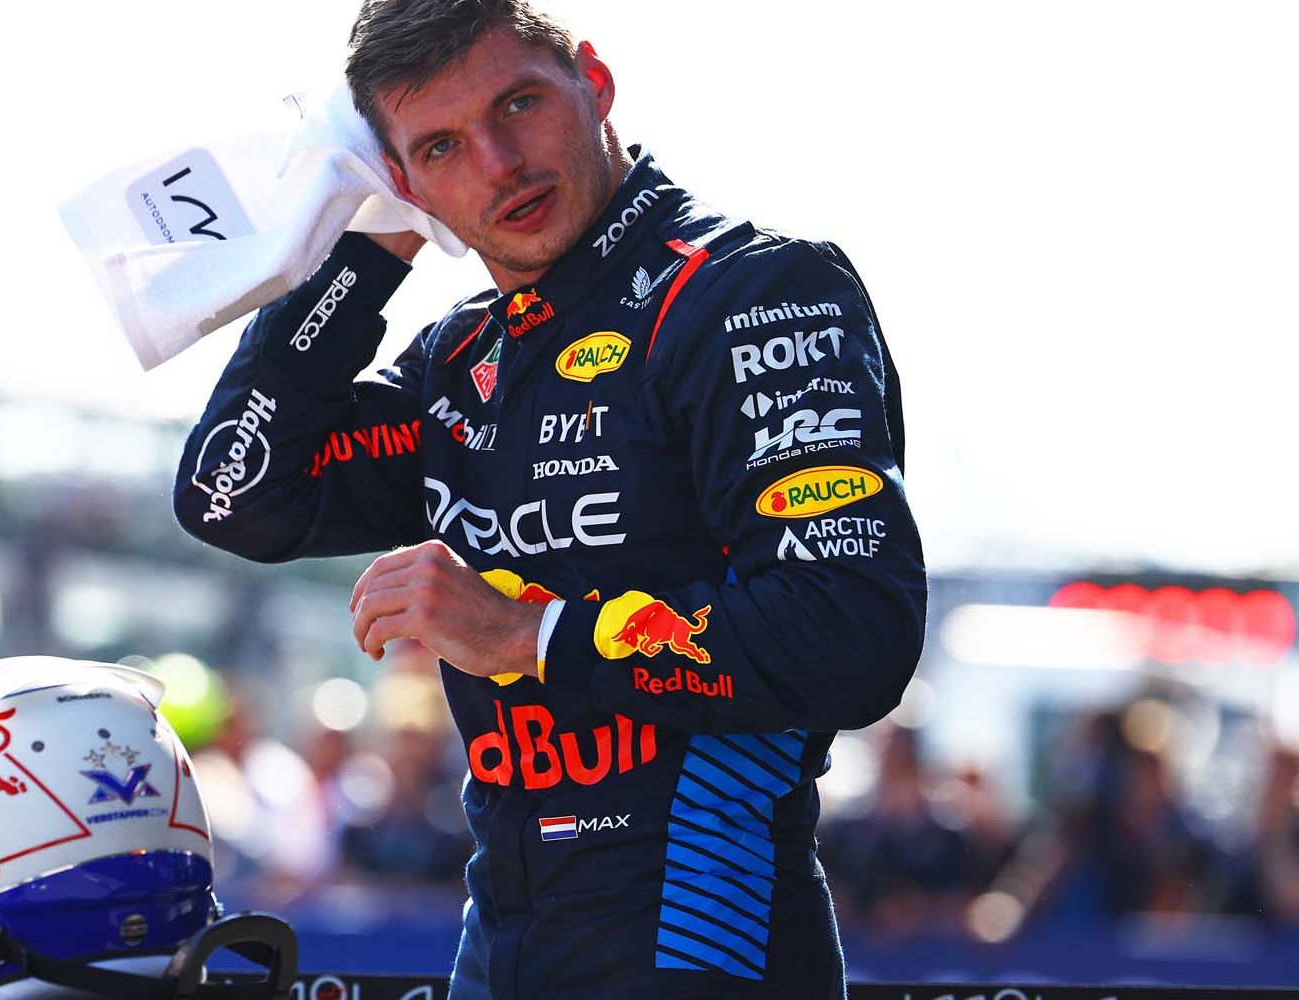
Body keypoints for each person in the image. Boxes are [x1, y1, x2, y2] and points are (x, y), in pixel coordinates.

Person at [172, 2, 926, 996]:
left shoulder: (751, 291)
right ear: (405, 184)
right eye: (441, 146)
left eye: (518, 104)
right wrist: (360, 250)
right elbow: (236, 492)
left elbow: (849, 631)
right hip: (505, 939)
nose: (497, 164)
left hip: (704, 935)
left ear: (596, 84)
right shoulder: (465, 359)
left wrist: (534, 636)